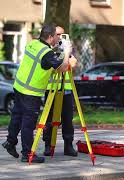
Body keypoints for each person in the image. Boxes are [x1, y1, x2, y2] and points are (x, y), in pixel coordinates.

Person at [2, 24, 74, 163]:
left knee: (17, 115)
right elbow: (63, 67)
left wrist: (55, 52)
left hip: (19, 86)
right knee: (28, 123)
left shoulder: (33, 44)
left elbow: (45, 59)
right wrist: (66, 51)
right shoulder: (47, 53)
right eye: (56, 36)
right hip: (31, 92)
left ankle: (10, 142)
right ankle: (27, 154)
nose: (57, 39)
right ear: (50, 37)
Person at [42, 26, 78, 157]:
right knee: (49, 119)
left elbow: (73, 63)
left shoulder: (66, 51)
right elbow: (57, 68)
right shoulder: (47, 51)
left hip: (66, 91)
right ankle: (47, 145)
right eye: (58, 35)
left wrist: (66, 52)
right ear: (52, 35)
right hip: (52, 90)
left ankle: (68, 145)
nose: (60, 38)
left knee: (68, 120)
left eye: (63, 35)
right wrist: (64, 58)